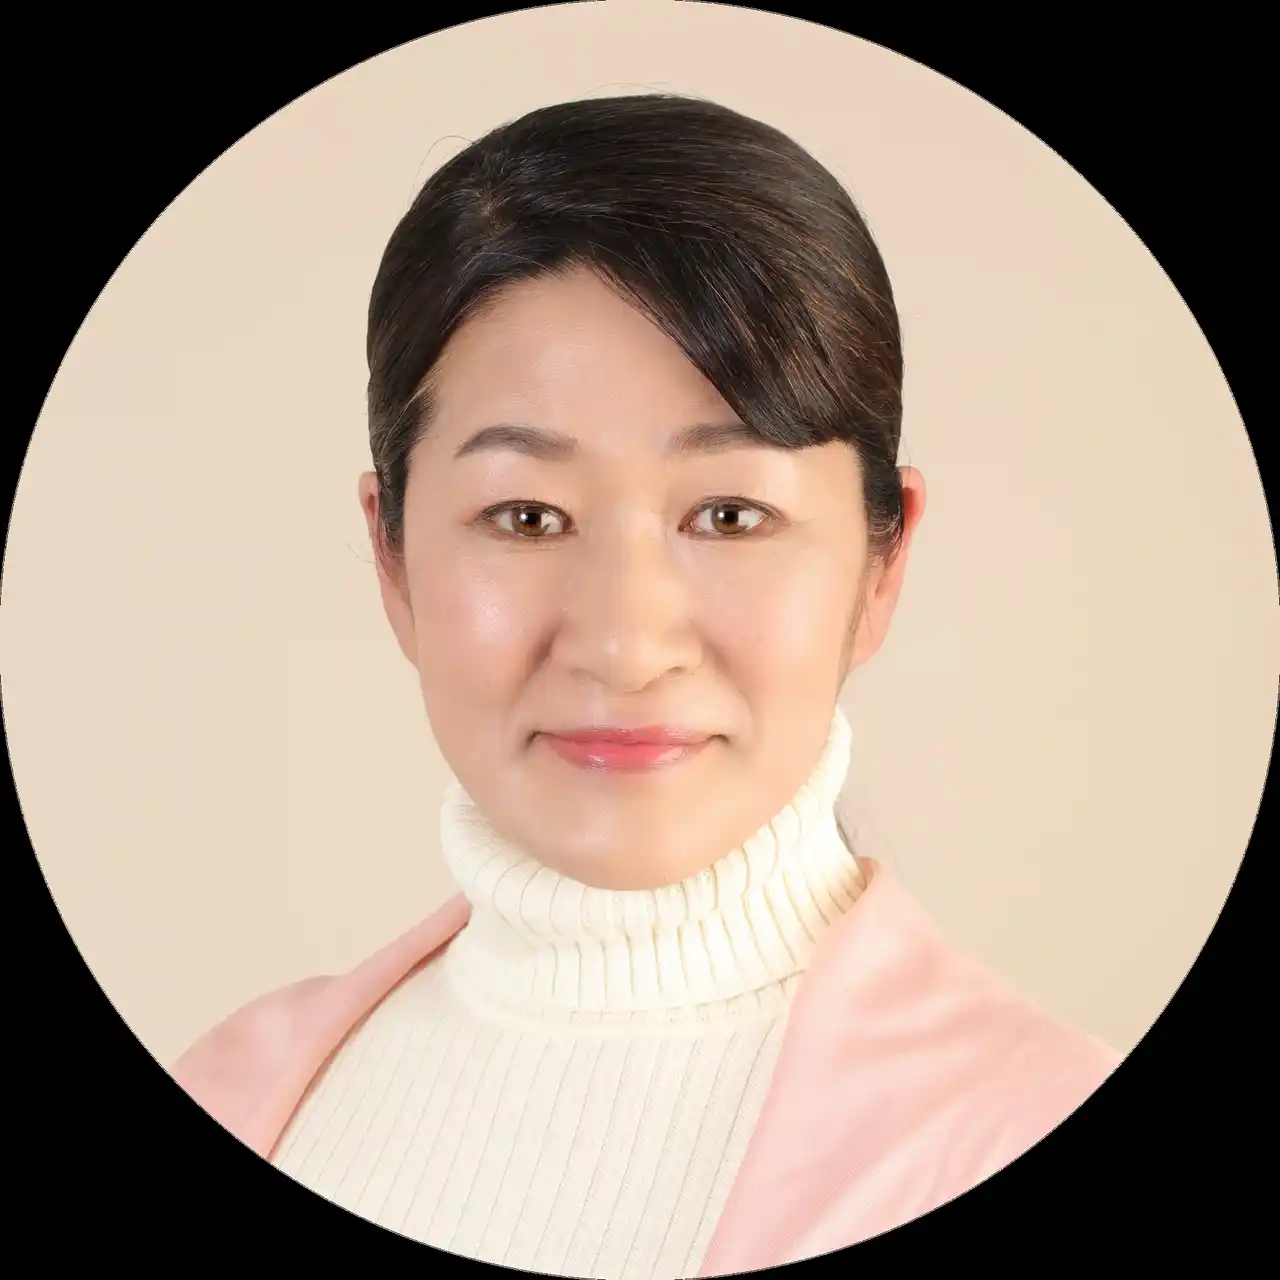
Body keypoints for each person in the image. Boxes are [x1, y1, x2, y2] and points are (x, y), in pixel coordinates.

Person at [171, 94, 1120, 1276]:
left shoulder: (1025, 1122)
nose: (624, 645)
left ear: (882, 563)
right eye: (526, 516)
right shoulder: (237, 1095)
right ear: (391, 555)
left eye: (728, 514)